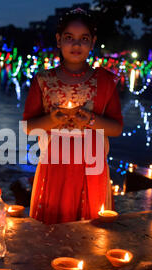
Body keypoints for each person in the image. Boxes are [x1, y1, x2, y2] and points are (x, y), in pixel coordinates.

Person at [22, 8, 123, 224]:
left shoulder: (105, 81)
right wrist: (52, 120)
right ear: (58, 40)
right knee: (53, 232)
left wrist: (90, 120)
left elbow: (116, 128)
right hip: (54, 167)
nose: (76, 45)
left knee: (91, 235)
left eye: (83, 39)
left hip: (92, 167)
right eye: (69, 38)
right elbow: (28, 127)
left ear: (92, 42)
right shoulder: (43, 80)